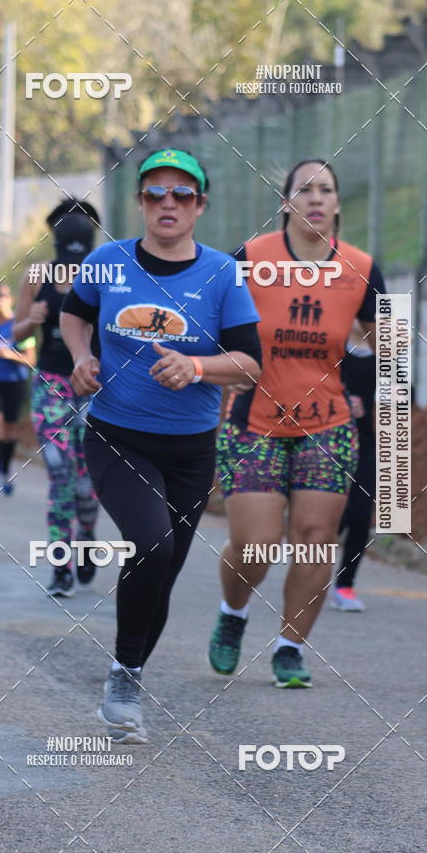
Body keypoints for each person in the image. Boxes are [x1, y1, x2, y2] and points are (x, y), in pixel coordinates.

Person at [60, 148, 262, 743]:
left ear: (200, 205)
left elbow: (249, 364)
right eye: (155, 193)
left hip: (192, 449)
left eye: (181, 193)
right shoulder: (108, 262)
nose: (167, 203)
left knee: (163, 567)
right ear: (141, 203)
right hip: (118, 434)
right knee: (150, 543)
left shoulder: (223, 274)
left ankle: (132, 670)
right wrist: (80, 357)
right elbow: (74, 315)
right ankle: (122, 683)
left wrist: (198, 368)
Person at [208, 158, 385, 688]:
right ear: (286, 202)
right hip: (255, 421)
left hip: (327, 425)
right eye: (303, 189)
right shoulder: (251, 258)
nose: (314, 198)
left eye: (325, 190)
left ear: (336, 206)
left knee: (315, 538)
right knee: (256, 543)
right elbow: (214, 328)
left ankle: (289, 648)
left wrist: (368, 391)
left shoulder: (361, 267)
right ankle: (233, 614)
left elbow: (389, 346)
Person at [13, 199, 102, 594]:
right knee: (59, 473)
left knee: (88, 483)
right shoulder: (37, 275)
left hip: (95, 386)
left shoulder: (107, 274)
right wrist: (28, 321)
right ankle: (60, 564)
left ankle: (86, 535)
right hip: (51, 384)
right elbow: (13, 333)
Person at [331, 320, 377, 612]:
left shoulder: (385, 354)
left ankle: (345, 585)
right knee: (333, 516)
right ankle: (309, 571)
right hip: (328, 439)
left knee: (361, 513)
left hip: (366, 443)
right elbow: (312, 384)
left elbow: (406, 394)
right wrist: (343, 400)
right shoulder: (332, 348)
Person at [0, 284, 36, 497]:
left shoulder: (20, 326)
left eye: (3, 295)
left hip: (15, 383)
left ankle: (5, 471)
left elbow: (31, 360)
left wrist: (9, 355)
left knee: (9, 431)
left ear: (11, 299)